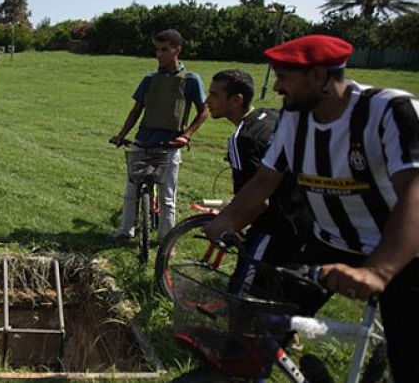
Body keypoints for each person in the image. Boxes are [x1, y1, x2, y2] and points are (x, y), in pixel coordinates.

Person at [204, 35, 419, 381]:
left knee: (409, 362)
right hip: (326, 245)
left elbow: (414, 195)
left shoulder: (390, 111)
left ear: (318, 76)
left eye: (284, 77)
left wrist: (377, 272)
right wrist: (228, 219)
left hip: (401, 253)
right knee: (257, 323)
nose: (276, 88)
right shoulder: (295, 115)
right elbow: (264, 180)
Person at [205, 70, 316, 304]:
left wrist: (227, 228)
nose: (207, 101)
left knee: (242, 296)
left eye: (214, 95)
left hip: (276, 225)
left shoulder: (241, 138)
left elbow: (259, 200)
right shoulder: (271, 115)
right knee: (280, 294)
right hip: (309, 217)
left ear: (236, 100)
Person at [108, 29, 209, 242]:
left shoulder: (190, 80)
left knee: (167, 198)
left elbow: (204, 110)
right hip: (142, 142)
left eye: (164, 50)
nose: (159, 54)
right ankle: (126, 230)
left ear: (177, 50)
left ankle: (166, 242)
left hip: (169, 146)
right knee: (131, 192)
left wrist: (187, 135)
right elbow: (137, 110)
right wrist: (121, 135)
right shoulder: (149, 79)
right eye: (157, 50)